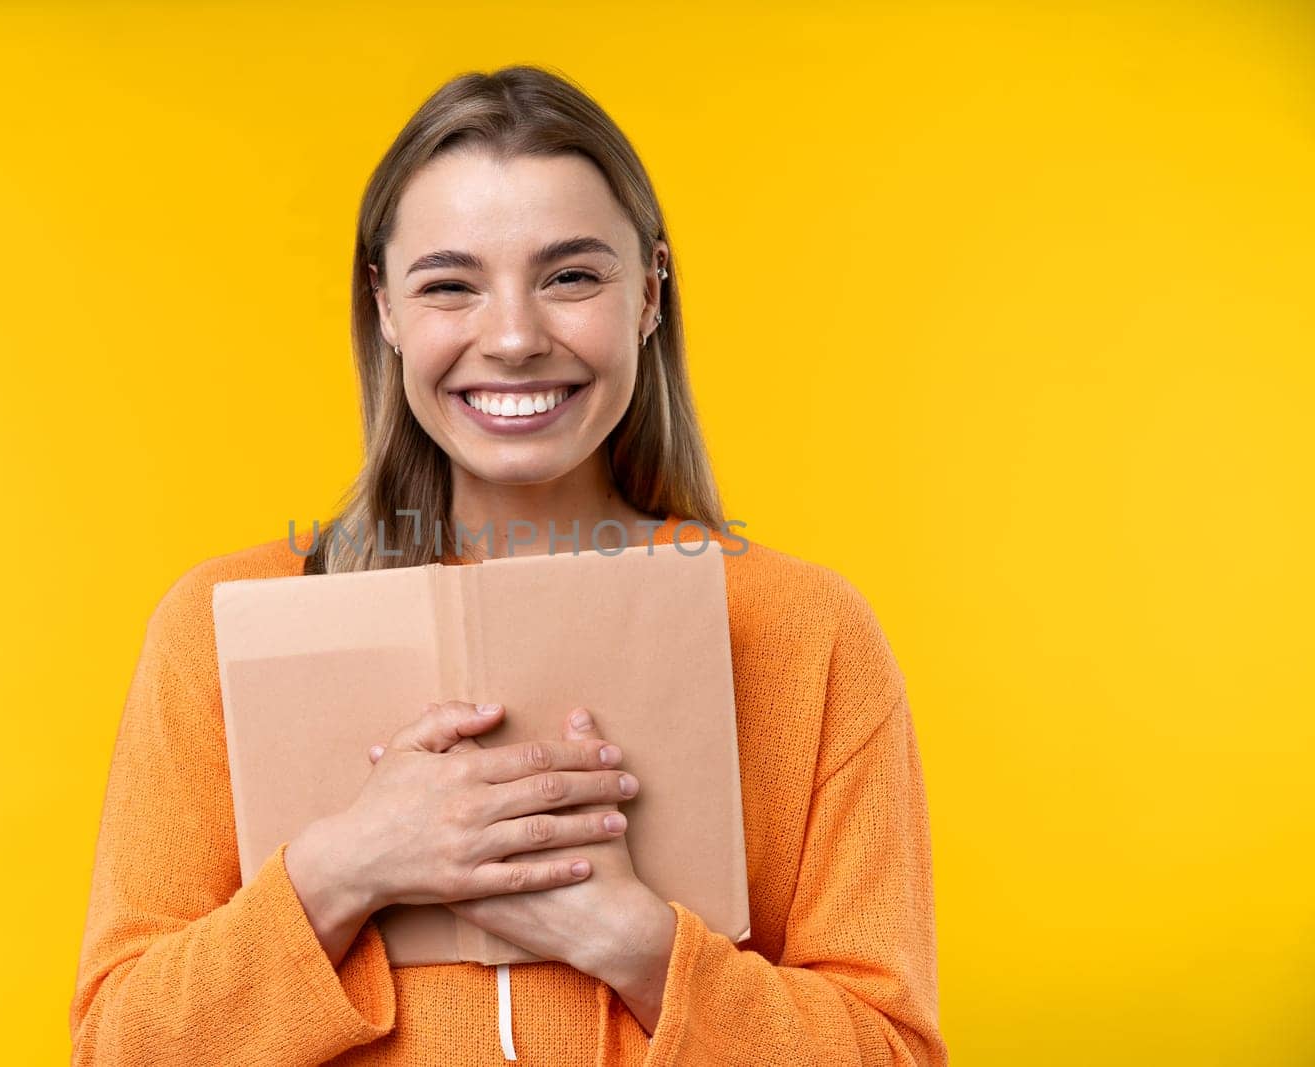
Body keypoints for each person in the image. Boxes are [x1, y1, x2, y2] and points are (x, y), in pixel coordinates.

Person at [70, 65, 946, 1066]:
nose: (517, 336)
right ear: (386, 308)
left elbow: (891, 1053)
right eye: (450, 284)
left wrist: (639, 947)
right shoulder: (220, 624)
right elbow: (119, 1047)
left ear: (650, 291)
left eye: (571, 275)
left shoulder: (805, 629)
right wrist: (341, 871)